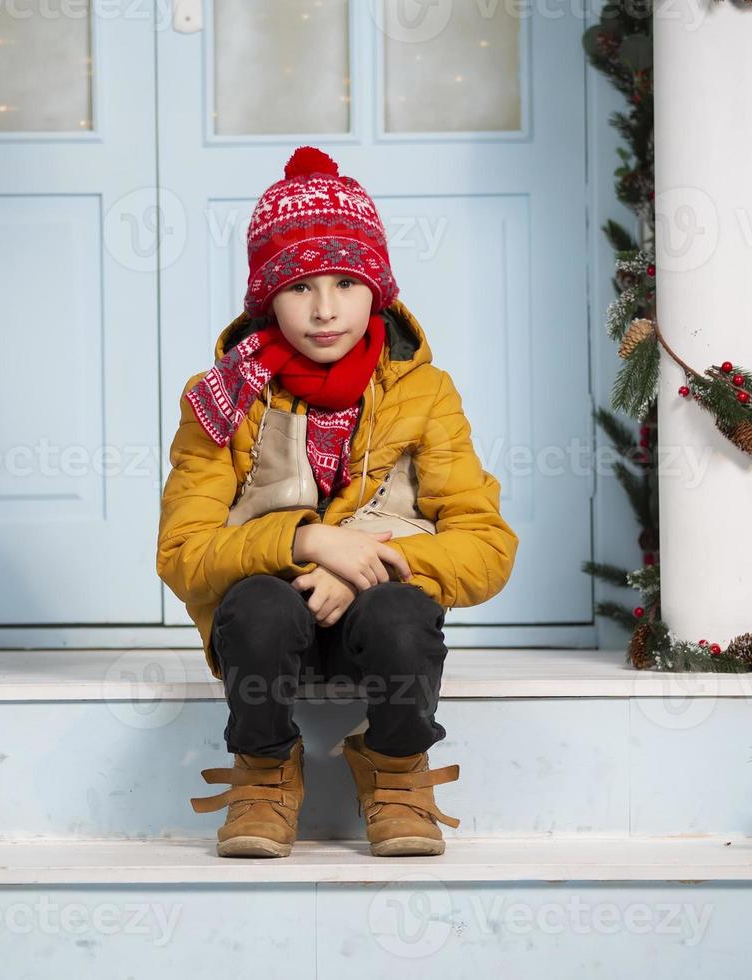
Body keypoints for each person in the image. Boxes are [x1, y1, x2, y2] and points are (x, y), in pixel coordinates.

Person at [156, 146, 519, 858]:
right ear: (266, 297)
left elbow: (486, 545)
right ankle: (263, 771)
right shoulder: (222, 398)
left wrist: (365, 562)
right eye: (299, 288)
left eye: (346, 282)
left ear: (377, 290)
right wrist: (308, 542)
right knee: (258, 606)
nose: (325, 310)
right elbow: (181, 551)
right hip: (265, 633)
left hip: (375, 635)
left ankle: (397, 768)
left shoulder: (425, 392)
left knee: (403, 612)